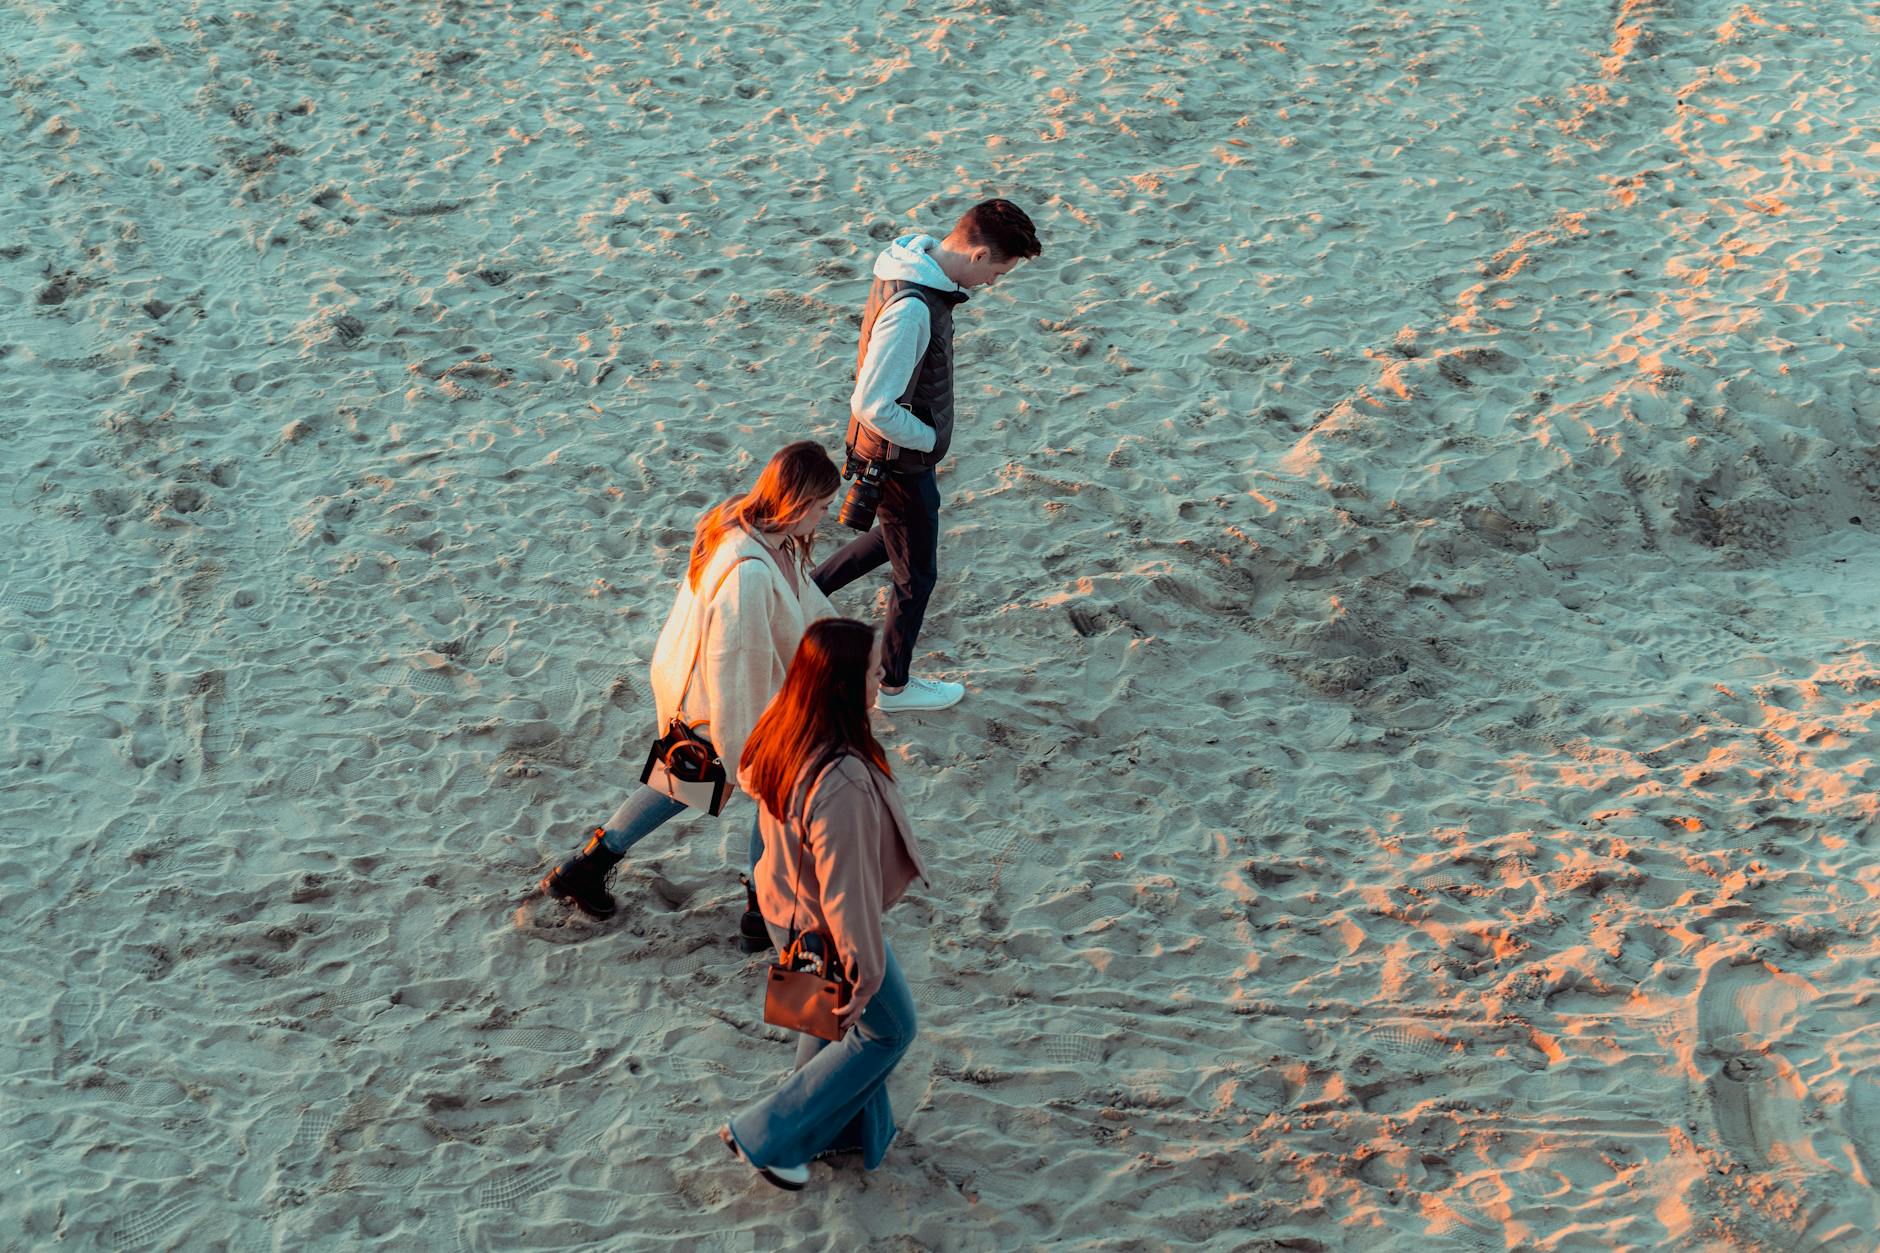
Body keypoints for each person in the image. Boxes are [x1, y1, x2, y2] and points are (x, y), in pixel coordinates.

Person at [537, 441, 841, 949]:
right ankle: (760, 914)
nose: (826, 518)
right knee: (778, 791)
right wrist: (747, 758)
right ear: (798, 503)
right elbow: (736, 671)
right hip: (720, 696)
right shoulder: (748, 573)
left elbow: (805, 602)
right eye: (823, 506)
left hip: (699, 684)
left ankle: (586, 867)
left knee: (687, 781)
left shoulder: (763, 533)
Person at [720, 618, 929, 1189]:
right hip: (824, 922)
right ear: (842, 684)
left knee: (823, 1024)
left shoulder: (780, 728)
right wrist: (866, 963)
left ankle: (829, 1133)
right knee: (889, 1030)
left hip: (785, 911)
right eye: (872, 669)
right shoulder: (840, 780)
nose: (882, 674)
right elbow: (847, 889)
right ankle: (767, 1135)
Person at [813, 198, 1042, 713]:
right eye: (1000, 273)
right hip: (898, 458)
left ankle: (802, 594)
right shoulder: (914, 307)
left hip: (895, 455)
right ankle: (893, 686)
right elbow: (871, 403)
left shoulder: (913, 268)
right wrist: (927, 440)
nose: (994, 284)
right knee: (916, 577)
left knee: (898, 536)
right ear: (979, 256)